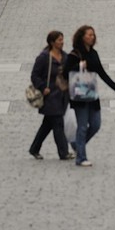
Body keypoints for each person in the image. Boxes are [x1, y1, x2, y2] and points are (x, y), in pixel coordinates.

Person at [63, 25, 115, 166]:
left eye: (93, 35)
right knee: (83, 126)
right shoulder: (74, 54)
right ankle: (81, 158)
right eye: (89, 35)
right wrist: (79, 66)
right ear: (82, 37)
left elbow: (102, 73)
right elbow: (65, 73)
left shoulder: (94, 53)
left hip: (92, 94)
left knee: (96, 124)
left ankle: (77, 144)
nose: (92, 37)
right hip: (79, 96)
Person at [28, 30, 73, 161]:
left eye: (62, 39)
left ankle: (34, 148)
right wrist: (42, 87)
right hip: (50, 97)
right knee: (58, 123)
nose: (62, 42)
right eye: (59, 40)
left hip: (62, 96)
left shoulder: (64, 56)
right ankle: (63, 153)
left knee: (47, 124)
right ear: (52, 42)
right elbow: (34, 75)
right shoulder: (44, 57)